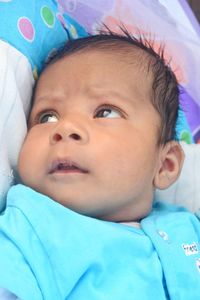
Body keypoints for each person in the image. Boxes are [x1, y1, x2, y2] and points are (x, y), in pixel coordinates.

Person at [0, 30, 199, 300]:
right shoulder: (26, 231)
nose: (65, 127)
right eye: (47, 117)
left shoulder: (188, 225)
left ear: (165, 165)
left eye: (105, 112)